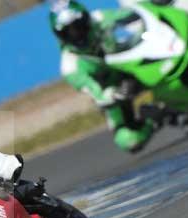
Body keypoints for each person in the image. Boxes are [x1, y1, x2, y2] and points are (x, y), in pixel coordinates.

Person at [49, 0, 158, 153]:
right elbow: (96, 93)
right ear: (61, 36)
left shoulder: (99, 18)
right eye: (69, 32)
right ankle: (154, 118)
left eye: (79, 26)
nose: (77, 34)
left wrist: (153, 5)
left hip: (129, 63)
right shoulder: (70, 66)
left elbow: (131, 14)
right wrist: (115, 94)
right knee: (128, 141)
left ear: (86, 19)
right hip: (114, 90)